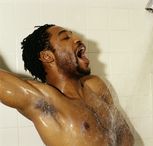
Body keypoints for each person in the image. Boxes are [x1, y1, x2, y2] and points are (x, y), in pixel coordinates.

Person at [0, 24, 134, 146]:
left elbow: (126, 136)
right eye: (65, 37)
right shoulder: (44, 101)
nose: (77, 39)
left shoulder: (95, 86)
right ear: (47, 56)